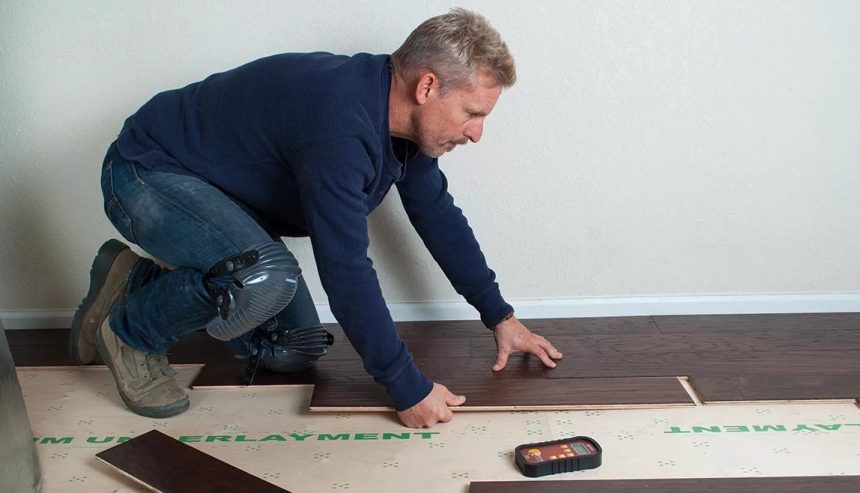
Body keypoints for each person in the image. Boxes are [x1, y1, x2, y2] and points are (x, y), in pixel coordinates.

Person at [71, 8, 563, 428]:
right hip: (146, 172)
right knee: (262, 279)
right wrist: (405, 386)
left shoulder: (400, 125)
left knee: (292, 347)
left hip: (221, 195)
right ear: (427, 86)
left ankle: (137, 283)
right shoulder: (339, 128)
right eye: (473, 113)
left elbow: (437, 215)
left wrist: (500, 317)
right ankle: (131, 333)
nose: (476, 133)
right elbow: (345, 268)